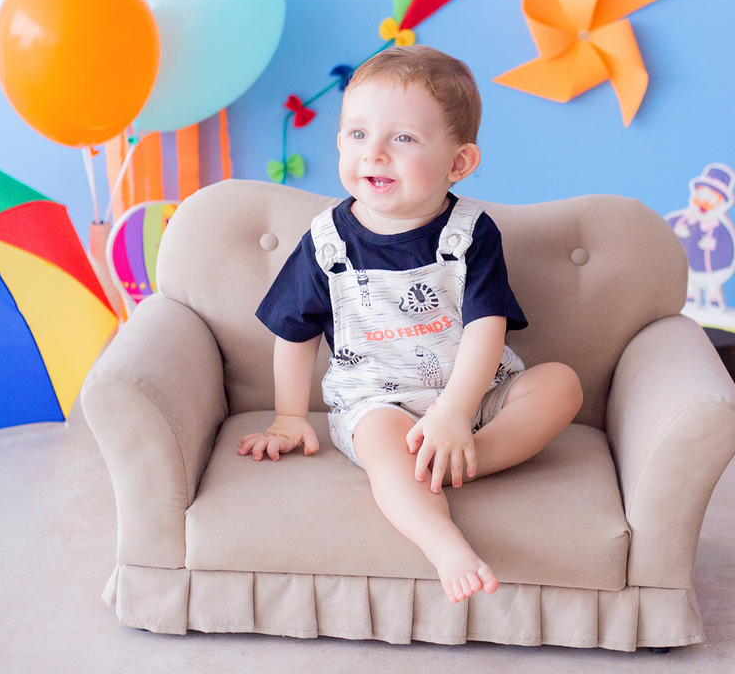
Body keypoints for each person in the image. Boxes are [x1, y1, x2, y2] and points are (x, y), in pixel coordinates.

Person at [239, 45, 583, 606]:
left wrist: (453, 414)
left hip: (478, 393)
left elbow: (484, 326)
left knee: (560, 384)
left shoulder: (471, 233)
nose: (373, 153)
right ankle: (444, 542)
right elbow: (294, 330)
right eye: (356, 134)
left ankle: (465, 457)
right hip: (381, 402)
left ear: (458, 163)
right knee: (381, 446)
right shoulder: (326, 241)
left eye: (402, 139)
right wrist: (288, 416)